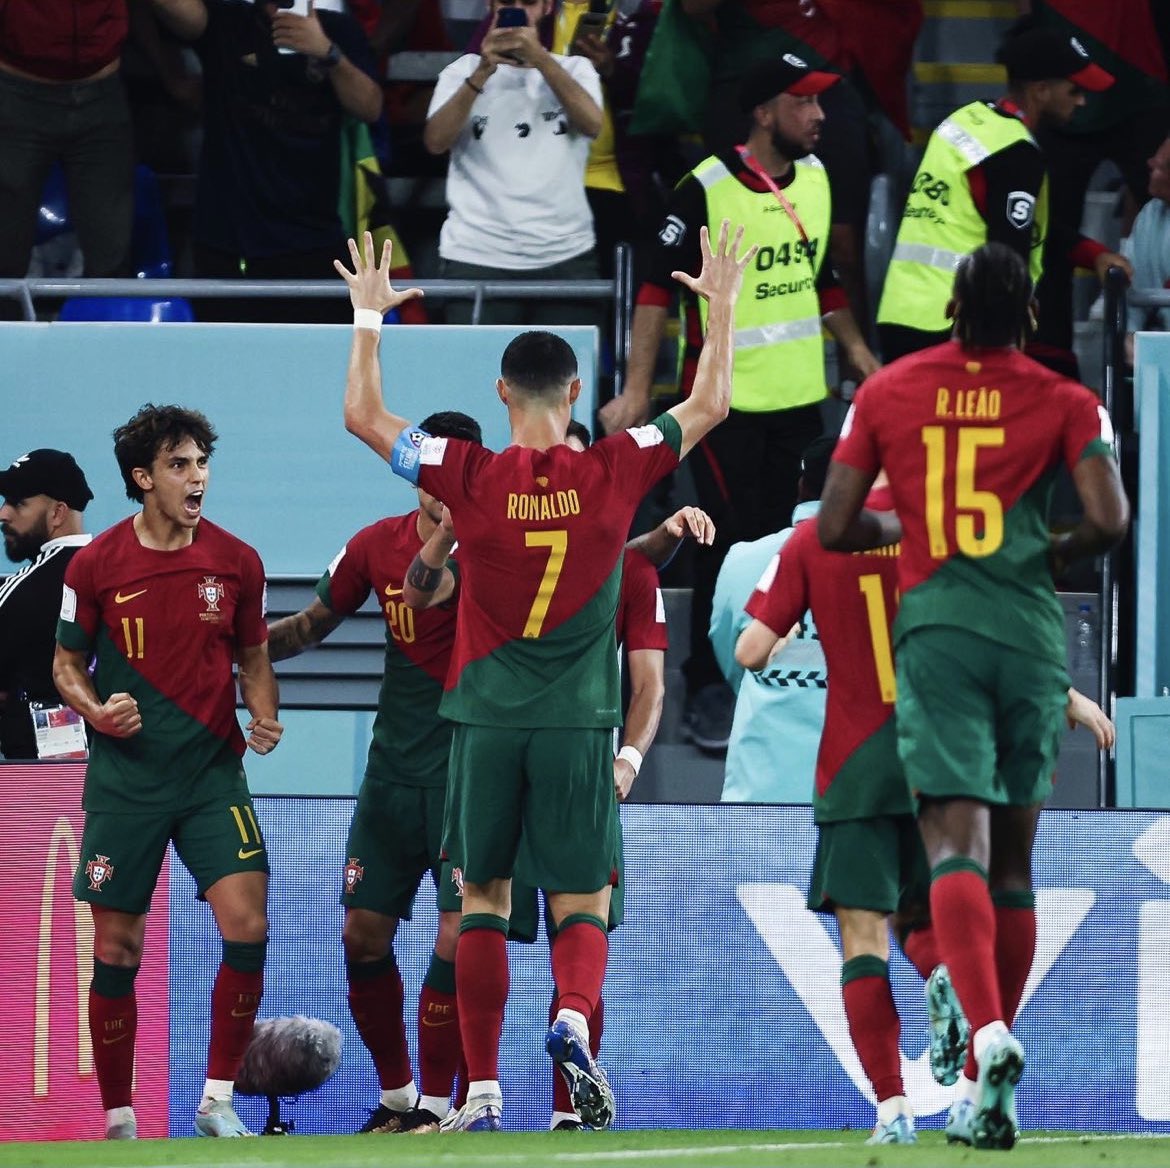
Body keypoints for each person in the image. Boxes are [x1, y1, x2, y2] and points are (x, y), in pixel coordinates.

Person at [334, 218, 753, 1131]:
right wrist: (718, 313)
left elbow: (364, 417)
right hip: (578, 725)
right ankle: (570, 1017)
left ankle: (479, 1093)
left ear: (499, 392)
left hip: (480, 720)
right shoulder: (615, 467)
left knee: (480, 897)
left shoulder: (468, 472)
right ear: (573, 392)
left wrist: (370, 318)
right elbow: (712, 406)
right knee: (581, 897)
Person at [818, 242, 1130, 1149]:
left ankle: (986, 1037)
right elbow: (1110, 521)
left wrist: (908, 524)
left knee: (953, 838)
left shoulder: (888, 392)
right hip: (1032, 639)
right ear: (1029, 315)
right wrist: (1047, 551)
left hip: (941, 634)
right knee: (1015, 869)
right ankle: (984, 1074)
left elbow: (837, 525)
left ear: (951, 309)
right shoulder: (1068, 399)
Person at [600, 56, 879, 755]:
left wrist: (861, 354)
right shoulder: (706, 188)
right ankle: (712, 683)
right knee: (728, 539)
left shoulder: (815, 179)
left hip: (800, 402)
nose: (819, 116)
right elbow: (656, 292)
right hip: (724, 406)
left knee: (789, 537)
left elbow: (823, 281)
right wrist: (638, 389)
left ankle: (780, 665)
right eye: (804, 103)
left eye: (821, 104)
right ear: (762, 112)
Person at [52, 404, 283, 1140]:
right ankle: (120, 1118)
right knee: (119, 948)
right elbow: (64, 663)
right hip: (127, 781)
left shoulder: (238, 560)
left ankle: (217, 1100)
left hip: (214, 774)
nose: (198, 477)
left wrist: (263, 712)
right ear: (143, 478)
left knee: (248, 927)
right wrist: (96, 710)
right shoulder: (95, 565)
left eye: (202, 462)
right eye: (180, 465)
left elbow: (253, 658)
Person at [265, 410, 483, 1135]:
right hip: (390, 779)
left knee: (457, 937)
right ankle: (397, 1096)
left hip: (468, 776)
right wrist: (230, 654)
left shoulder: (503, 550)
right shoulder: (373, 546)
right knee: (362, 935)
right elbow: (307, 627)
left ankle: (438, 1105)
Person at [876, 19, 1132, 364]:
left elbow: (1018, 225)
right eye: (1074, 90)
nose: (1083, 101)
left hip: (903, 311)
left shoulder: (968, 121)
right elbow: (1008, 255)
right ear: (1041, 90)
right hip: (956, 326)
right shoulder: (1015, 151)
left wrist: (1091, 253)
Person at [149, 0, 383, 322]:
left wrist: (328, 53)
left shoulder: (336, 29)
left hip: (314, 242)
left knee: (312, 367)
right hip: (229, 248)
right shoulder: (226, 22)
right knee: (227, 367)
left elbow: (370, 107)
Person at [422, 0, 603, 325]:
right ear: (492, 6)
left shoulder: (576, 69)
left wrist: (540, 59)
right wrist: (482, 71)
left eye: (530, 3)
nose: (519, 10)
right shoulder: (461, 71)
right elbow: (435, 142)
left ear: (548, 7)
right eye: (507, 2)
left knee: (566, 376)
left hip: (564, 253)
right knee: (477, 373)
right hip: (476, 253)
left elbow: (592, 124)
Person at [1022, 1, 1170, 372]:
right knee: (1047, 240)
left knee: (1161, 199)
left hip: (1146, 76)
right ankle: (1050, 366)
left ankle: (1142, 340)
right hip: (1072, 64)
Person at [708, 435, 832, 803]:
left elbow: (734, 663)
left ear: (800, 487)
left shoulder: (744, 560)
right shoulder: (889, 567)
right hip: (852, 799)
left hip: (757, 793)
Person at [0, 1, 133, 286]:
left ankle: (104, 329)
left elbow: (191, 23)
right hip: (15, 93)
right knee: (4, 254)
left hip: (103, 97)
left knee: (111, 250)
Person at [0, 450, 93, 760]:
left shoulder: (18, 593)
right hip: (123, 782)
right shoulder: (124, 575)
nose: (3, 514)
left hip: (36, 790)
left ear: (57, 513)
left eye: (18, 503)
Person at [1121, 135, 1170, 363]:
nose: (1150, 163)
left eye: (1162, 165)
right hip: (1159, 349)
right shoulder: (1150, 215)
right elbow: (1133, 287)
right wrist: (1131, 333)